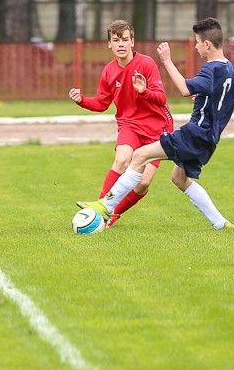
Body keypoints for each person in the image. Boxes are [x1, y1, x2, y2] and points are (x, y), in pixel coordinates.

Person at [79, 17, 234, 230]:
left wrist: (167, 60)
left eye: (197, 42)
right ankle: (221, 223)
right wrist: (212, 99)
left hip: (195, 133)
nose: (196, 47)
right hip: (210, 139)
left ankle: (105, 206)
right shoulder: (231, 70)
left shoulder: (210, 70)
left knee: (140, 156)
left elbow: (184, 89)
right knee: (179, 178)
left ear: (207, 44)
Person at [69, 20, 173, 228]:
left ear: (132, 42)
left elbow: (161, 98)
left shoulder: (146, 64)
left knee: (143, 183)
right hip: (129, 124)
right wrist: (82, 100)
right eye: (116, 40)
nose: (121, 44)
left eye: (125, 40)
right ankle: (99, 210)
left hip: (156, 128)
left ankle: (114, 213)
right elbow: (101, 103)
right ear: (109, 44)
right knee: (122, 159)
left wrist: (144, 91)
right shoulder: (109, 71)